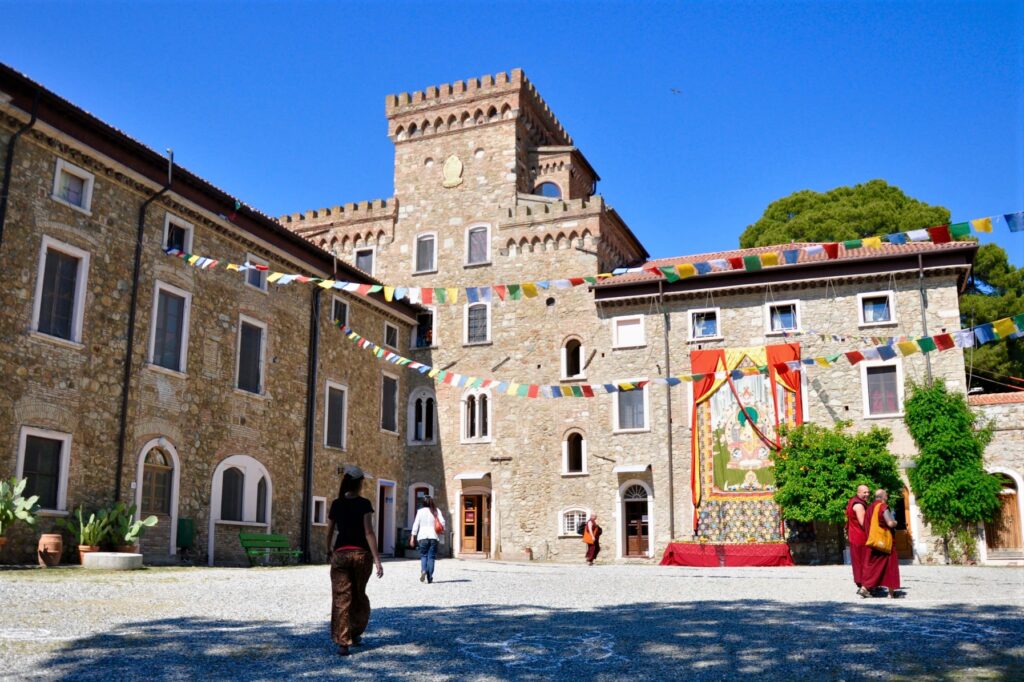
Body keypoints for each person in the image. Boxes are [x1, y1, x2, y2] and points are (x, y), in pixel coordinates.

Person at [326, 465, 384, 656]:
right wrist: (377, 560)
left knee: (342, 598)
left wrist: (329, 549)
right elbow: (369, 532)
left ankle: (344, 642)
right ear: (359, 483)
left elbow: (330, 530)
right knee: (359, 595)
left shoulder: (336, 504)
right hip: (361, 555)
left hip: (341, 554)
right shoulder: (364, 504)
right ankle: (356, 631)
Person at [861, 488, 901, 599]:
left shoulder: (869, 508)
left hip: (873, 542)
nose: (887, 497)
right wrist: (896, 522)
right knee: (890, 566)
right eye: (886, 495)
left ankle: (864, 588)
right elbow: (890, 523)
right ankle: (891, 593)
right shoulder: (882, 507)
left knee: (874, 566)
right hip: (885, 542)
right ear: (884, 497)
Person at [409, 494, 445, 584]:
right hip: (434, 536)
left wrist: (412, 537)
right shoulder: (436, 511)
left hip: (422, 537)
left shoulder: (420, 511)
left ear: (423, 502)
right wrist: (441, 530)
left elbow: (416, 524)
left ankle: (423, 570)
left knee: (423, 556)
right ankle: (429, 577)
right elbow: (443, 522)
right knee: (431, 557)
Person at [846, 484, 870, 596]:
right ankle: (865, 586)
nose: (867, 494)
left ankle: (862, 585)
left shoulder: (852, 501)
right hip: (861, 538)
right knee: (864, 562)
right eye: (864, 492)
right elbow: (863, 523)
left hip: (854, 536)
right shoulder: (859, 505)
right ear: (858, 493)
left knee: (858, 562)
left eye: (868, 492)